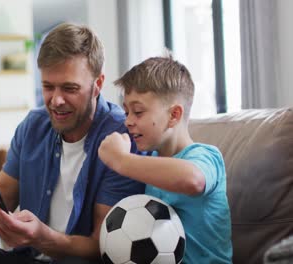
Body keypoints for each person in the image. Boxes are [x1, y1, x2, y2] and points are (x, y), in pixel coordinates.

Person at [0, 23, 145, 264]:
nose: (57, 100)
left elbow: (102, 247)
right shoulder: (33, 127)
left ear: (98, 85)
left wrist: (43, 238)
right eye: (48, 87)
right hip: (28, 258)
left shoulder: (121, 138)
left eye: (70, 88)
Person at [98, 56, 232, 263]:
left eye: (138, 112)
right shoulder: (151, 159)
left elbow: (193, 180)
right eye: (126, 112)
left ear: (174, 115)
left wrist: (121, 160)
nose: (128, 121)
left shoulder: (206, 156)